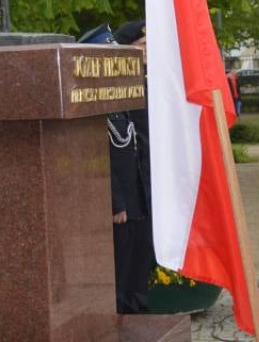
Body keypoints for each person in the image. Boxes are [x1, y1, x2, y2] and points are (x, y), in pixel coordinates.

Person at [79, 20, 154, 313]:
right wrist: (116, 201)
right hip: (120, 203)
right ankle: (122, 319)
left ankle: (139, 315)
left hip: (137, 197)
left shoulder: (120, 96)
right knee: (119, 272)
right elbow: (97, 159)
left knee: (139, 263)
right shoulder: (92, 105)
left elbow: (135, 147)